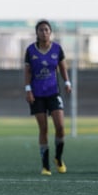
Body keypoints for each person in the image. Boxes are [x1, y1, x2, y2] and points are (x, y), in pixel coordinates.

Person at [24, 20, 72, 176]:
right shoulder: (31, 50)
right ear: (37, 33)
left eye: (46, 30)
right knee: (43, 129)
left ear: (50, 32)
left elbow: (63, 67)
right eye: (41, 30)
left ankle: (58, 158)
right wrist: (28, 90)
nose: (44, 32)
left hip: (53, 93)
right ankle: (45, 166)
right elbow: (28, 72)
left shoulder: (57, 49)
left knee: (60, 127)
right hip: (37, 95)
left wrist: (67, 82)